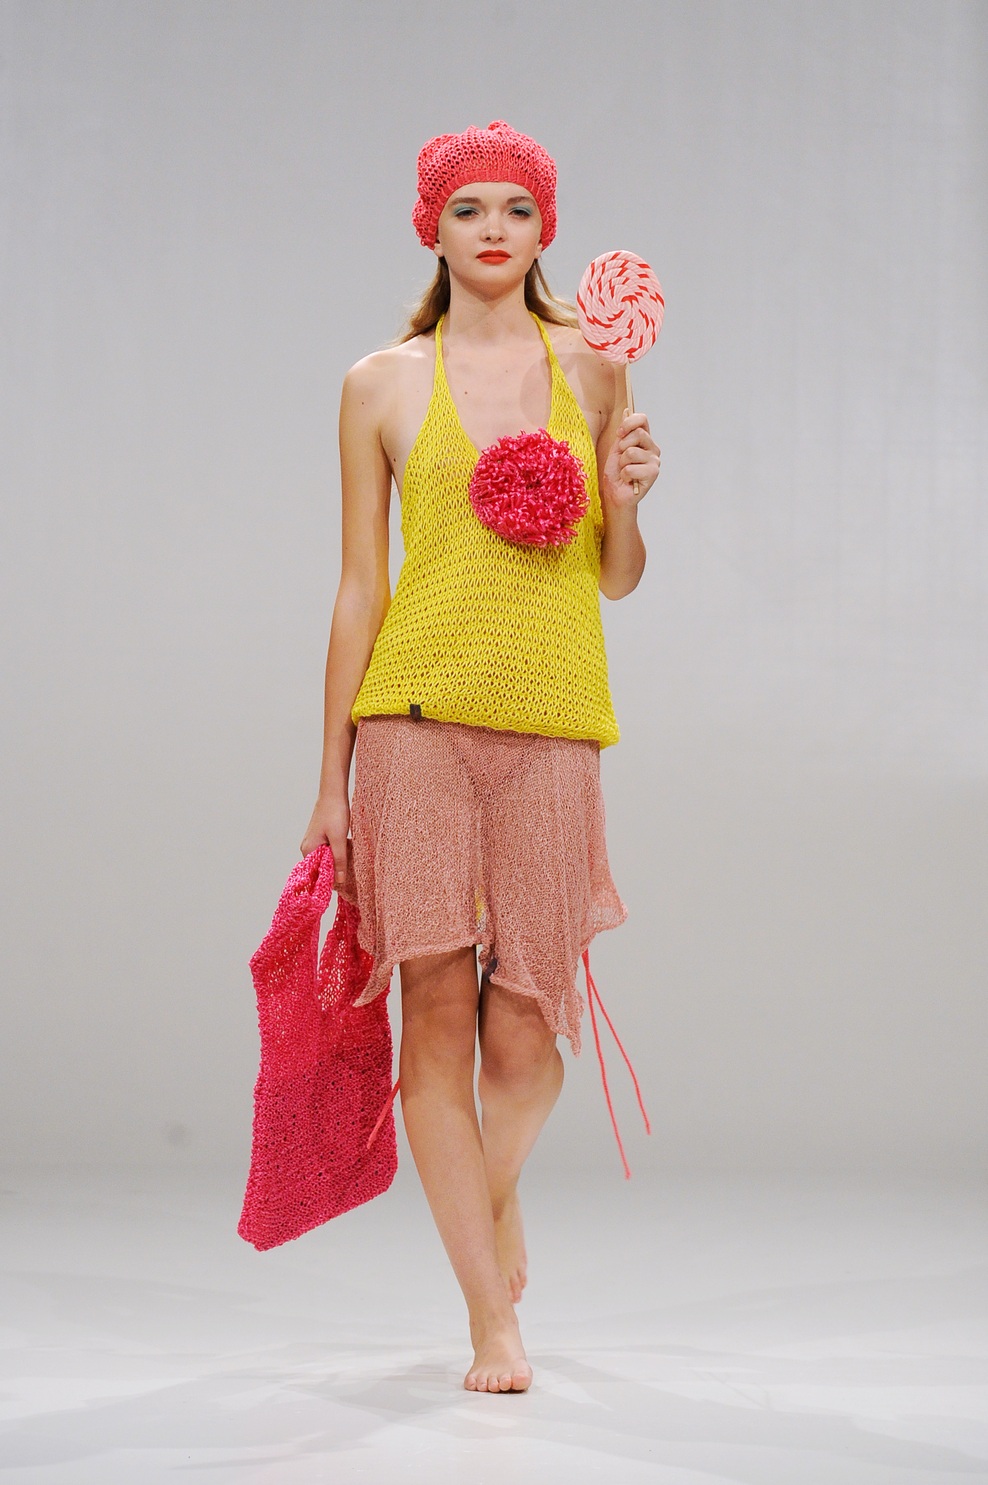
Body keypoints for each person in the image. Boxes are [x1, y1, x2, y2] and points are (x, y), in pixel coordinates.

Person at [300, 120, 661, 1394]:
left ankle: (487, 1194)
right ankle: (488, 1322)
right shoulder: (380, 383)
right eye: (468, 209)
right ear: (432, 228)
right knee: (435, 1020)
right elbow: (360, 587)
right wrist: (329, 780)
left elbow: (614, 579)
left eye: (516, 207)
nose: (494, 228)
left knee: (525, 1036)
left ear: (545, 227)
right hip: (410, 728)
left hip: (553, 722)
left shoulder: (595, 366)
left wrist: (628, 501)